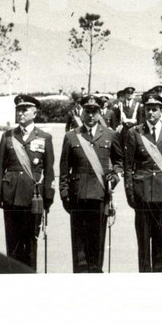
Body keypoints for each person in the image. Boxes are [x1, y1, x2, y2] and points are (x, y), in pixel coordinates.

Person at [59, 94, 123, 273]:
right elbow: (64, 168)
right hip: (78, 195)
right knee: (79, 244)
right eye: (88, 111)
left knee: (97, 241)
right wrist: (64, 194)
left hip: (100, 195)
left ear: (100, 112)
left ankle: (96, 274)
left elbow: (119, 162)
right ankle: (80, 276)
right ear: (82, 111)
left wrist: (115, 177)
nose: (91, 115)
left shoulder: (110, 135)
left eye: (95, 111)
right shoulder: (72, 136)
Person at [122, 90, 162, 272]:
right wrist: (130, 192)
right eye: (148, 109)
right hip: (141, 196)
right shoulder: (135, 132)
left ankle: (159, 281)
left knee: (160, 245)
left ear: (161, 110)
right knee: (143, 246)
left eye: (155, 109)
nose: (151, 113)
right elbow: (128, 166)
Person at [0, 94, 55, 271]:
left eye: (24, 110)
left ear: (34, 113)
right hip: (11, 194)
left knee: (30, 242)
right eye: (18, 110)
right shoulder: (8, 136)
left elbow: (49, 170)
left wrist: (48, 196)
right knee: (12, 243)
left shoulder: (45, 137)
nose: (20, 113)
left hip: (33, 197)